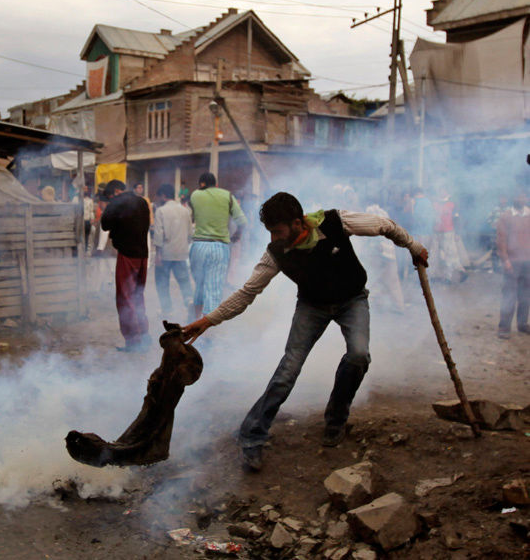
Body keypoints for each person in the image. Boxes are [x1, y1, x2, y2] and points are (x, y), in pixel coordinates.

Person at [182, 192, 428, 471]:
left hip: (352, 300)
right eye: (270, 232)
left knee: (359, 356)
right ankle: (252, 435)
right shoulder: (276, 253)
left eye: (278, 231)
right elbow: (247, 293)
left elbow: (385, 225)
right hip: (312, 306)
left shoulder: (335, 221)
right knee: (288, 370)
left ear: (299, 223)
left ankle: (336, 421)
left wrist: (413, 246)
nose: (273, 238)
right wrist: (209, 320)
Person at [101, 179, 152, 351]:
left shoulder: (117, 202)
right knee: (138, 296)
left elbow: (104, 225)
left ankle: (133, 340)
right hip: (143, 255)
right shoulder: (142, 201)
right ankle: (144, 335)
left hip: (127, 255)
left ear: (115, 191)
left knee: (125, 298)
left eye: (109, 196)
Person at [188, 173, 247, 319]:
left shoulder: (195, 195)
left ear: (201, 184)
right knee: (213, 289)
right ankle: (206, 330)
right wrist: (237, 235)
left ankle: (196, 320)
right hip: (219, 248)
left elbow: (192, 211)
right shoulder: (227, 196)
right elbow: (242, 222)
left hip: (198, 247)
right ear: (216, 184)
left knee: (199, 287)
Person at [152, 184, 194, 323]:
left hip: (165, 253)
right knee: (184, 280)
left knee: (162, 282)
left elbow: (158, 234)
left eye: (159, 196)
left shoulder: (161, 211)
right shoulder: (185, 211)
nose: (158, 199)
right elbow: (190, 233)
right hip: (181, 252)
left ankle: (167, 309)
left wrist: (157, 255)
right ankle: (189, 302)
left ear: (163, 196)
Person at [495, 190, 530, 339]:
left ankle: (522, 324)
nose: (521, 199)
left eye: (523, 196)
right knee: (509, 294)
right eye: (518, 196)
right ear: (513, 198)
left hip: (528, 261)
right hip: (512, 262)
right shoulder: (506, 216)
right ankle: (504, 327)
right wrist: (505, 259)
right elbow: (501, 239)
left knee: (526, 295)